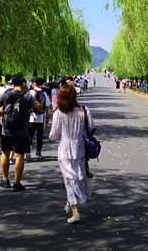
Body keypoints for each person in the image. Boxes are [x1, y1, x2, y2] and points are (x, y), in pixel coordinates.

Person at [49, 84, 94, 224]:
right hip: (80, 149)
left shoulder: (58, 113)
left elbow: (53, 135)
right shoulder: (84, 111)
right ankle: (71, 203)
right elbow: (91, 129)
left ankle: (75, 211)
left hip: (64, 150)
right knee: (77, 177)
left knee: (69, 179)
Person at [0, 76, 42, 191]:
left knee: (5, 153)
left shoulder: (7, 93)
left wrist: (1, 114)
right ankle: (17, 183)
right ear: (23, 83)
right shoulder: (28, 95)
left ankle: (5, 179)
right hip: (22, 130)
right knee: (20, 155)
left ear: (13, 84)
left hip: (7, 129)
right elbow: (39, 108)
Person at [29, 78, 51, 161]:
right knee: (39, 136)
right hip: (40, 117)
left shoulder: (30, 92)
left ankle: (28, 153)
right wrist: (47, 116)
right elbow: (47, 106)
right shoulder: (43, 93)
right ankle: (38, 153)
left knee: (29, 135)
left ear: (34, 83)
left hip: (30, 117)